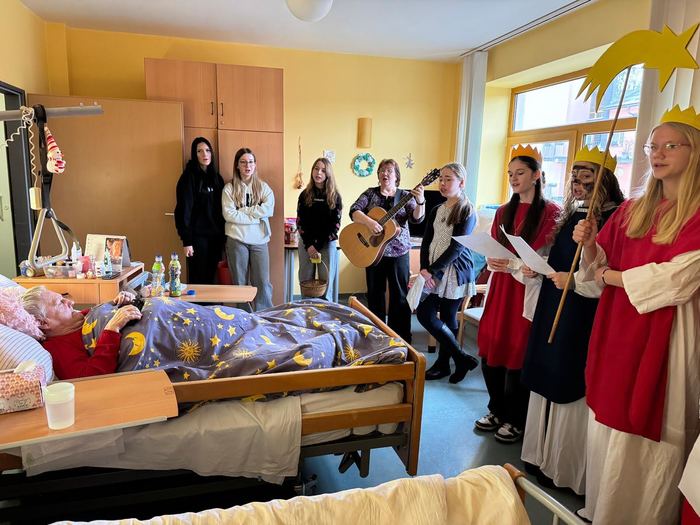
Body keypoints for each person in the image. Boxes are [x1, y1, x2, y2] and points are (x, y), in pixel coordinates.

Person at [572, 108, 700, 524]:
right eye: (652, 147)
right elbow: (594, 273)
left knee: (654, 435)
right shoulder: (631, 210)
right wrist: (590, 245)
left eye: (670, 146)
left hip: (669, 336)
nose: (657, 154)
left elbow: (678, 280)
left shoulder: (698, 214)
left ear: (695, 152)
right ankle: (603, 510)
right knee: (610, 426)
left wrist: (612, 276)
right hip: (617, 331)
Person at [519, 147, 625, 494]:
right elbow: (560, 258)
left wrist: (574, 281)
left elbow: (604, 273)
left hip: (581, 313)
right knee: (544, 373)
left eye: (586, 176)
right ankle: (538, 455)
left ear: (605, 180)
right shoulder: (573, 214)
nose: (577, 182)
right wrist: (539, 268)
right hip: (553, 304)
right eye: (574, 176)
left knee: (568, 377)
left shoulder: (615, 219)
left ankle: (562, 466)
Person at [475, 145, 560, 444]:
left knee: (516, 350)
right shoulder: (503, 211)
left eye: (520, 173)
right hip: (501, 288)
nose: (513, 178)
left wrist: (516, 264)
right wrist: (491, 259)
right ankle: (495, 409)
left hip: (526, 291)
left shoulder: (551, 212)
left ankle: (515, 418)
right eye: (510, 173)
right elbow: (495, 247)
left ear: (536, 175)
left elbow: (544, 257)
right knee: (492, 345)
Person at [349, 159, 425, 343]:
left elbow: (416, 219)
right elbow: (354, 211)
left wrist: (421, 201)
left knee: (400, 296)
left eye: (389, 170)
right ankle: (377, 337)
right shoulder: (370, 194)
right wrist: (370, 222)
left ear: (396, 176)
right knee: (375, 294)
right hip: (373, 252)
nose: (385, 173)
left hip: (399, 252)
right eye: (382, 170)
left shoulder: (405, 195)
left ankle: (401, 339)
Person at [416, 163, 479, 383]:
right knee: (425, 314)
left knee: (448, 316)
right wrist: (424, 269)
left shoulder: (467, 210)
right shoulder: (436, 209)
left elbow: (457, 247)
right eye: (441, 179)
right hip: (433, 269)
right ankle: (460, 359)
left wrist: (433, 271)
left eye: (448, 179)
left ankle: (443, 364)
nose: (442, 183)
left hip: (454, 270)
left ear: (461, 183)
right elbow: (426, 242)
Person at [21, 287, 141, 379]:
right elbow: (90, 379)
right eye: (60, 302)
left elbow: (106, 312)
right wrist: (112, 329)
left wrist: (122, 301)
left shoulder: (80, 317)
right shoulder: (57, 349)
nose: (70, 302)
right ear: (43, 322)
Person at [223, 148, 275, 310]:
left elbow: (269, 209)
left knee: (263, 282)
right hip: (237, 239)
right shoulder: (229, 188)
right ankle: (244, 316)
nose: (248, 166)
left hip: (260, 240)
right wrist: (255, 217)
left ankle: (263, 315)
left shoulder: (263, 187)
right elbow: (229, 215)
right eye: (243, 162)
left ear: (255, 165)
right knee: (240, 283)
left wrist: (244, 211)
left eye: (251, 162)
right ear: (237, 165)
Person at [174, 137, 226, 284]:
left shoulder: (217, 178)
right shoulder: (188, 178)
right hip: (197, 238)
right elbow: (183, 210)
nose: (205, 154)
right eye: (200, 151)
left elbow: (221, 210)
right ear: (194, 154)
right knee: (198, 279)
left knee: (212, 279)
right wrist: (187, 241)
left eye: (208, 150)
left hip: (215, 238)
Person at [296, 158, 342, 302]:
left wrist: (317, 245)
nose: (319, 173)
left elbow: (335, 226)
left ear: (328, 174)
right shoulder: (304, 195)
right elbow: (300, 222)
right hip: (307, 244)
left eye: (323, 170)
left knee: (325, 286)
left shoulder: (335, 197)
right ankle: (305, 310)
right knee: (306, 284)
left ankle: (325, 311)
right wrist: (310, 245)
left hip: (327, 243)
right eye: (316, 169)